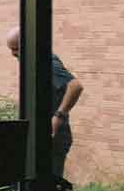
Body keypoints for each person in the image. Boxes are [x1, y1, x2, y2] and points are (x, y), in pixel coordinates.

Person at [7, 27, 85, 180]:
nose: (13, 54)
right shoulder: (34, 60)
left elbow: (75, 86)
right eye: (11, 50)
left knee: (49, 187)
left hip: (53, 135)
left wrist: (58, 116)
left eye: (16, 49)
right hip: (41, 132)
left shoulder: (46, 62)